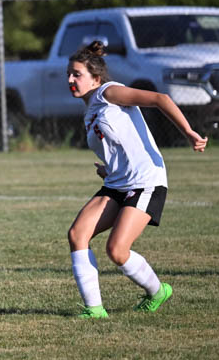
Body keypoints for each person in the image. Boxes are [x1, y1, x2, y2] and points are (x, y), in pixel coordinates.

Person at [66, 41, 207, 318]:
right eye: (69, 74)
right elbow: (122, 146)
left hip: (145, 182)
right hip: (118, 183)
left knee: (117, 250)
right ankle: (94, 310)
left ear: (96, 78)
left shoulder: (108, 93)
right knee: (77, 234)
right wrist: (109, 170)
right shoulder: (89, 111)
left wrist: (189, 132)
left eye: (76, 74)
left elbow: (160, 99)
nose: (70, 79)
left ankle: (158, 291)